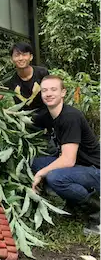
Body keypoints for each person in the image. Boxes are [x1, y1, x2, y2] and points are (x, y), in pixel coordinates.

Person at [31, 75, 101, 234]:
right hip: (79, 166)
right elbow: (27, 121)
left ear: (63, 92)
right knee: (34, 163)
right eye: (44, 90)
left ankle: (97, 214)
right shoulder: (49, 114)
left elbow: (68, 160)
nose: (48, 94)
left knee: (55, 177)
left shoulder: (70, 117)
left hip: (95, 170)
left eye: (53, 89)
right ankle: (73, 203)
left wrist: (41, 174)